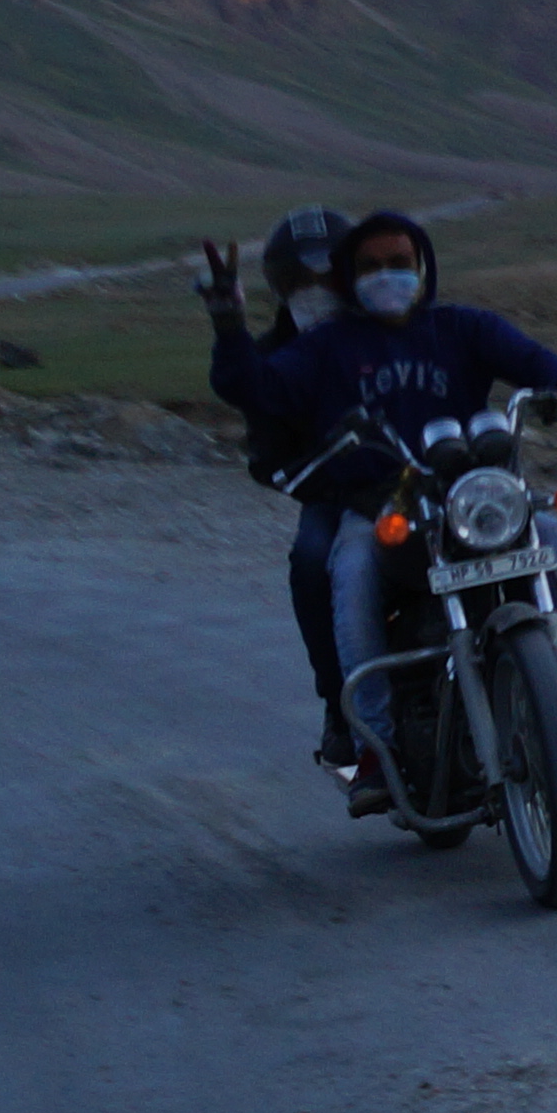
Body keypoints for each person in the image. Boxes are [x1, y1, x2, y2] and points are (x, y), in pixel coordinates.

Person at [204, 208, 557, 815]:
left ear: (423, 266)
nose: (388, 275)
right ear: (351, 279)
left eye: (401, 264)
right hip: (384, 503)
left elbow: (540, 365)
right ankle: (372, 745)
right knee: (348, 569)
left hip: (472, 495)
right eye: (372, 266)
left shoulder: (463, 327)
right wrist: (228, 324)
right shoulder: (328, 346)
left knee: (551, 531)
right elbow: (253, 389)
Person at [191, 208, 352, 772]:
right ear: (280, 288)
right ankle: (341, 709)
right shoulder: (275, 354)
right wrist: (229, 326)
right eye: (297, 282)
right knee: (311, 562)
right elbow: (241, 386)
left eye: (325, 276)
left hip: (424, 481)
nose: (314, 292)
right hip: (337, 495)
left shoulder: (390, 326)